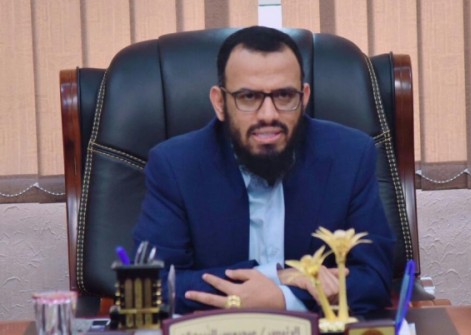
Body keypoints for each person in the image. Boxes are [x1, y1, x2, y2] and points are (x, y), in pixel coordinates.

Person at [133, 26, 394, 315]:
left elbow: (375, 278)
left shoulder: (350, 156)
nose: (268, 114)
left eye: (284, 95)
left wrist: (283, 300)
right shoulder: (175, 166)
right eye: (248, 97)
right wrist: (278, 276)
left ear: (304, 98)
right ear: (220, 103)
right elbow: (149, 287)